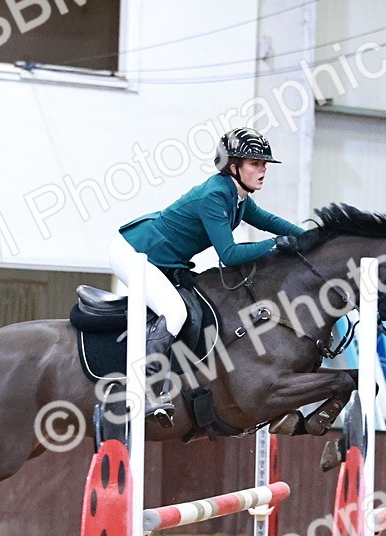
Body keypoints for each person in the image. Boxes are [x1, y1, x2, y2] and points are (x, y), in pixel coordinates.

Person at [110, 127, 306, 425]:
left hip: (162, 259)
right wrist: (275, 245)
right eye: (255, 163)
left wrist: (314, 238)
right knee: (174, 313)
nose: (263, 169)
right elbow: (228, 255)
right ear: (233, 166)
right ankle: (145, 390)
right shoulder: (215, 195)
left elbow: (268, 221)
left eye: (264, 164)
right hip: (135, 253)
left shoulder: (236, 196)